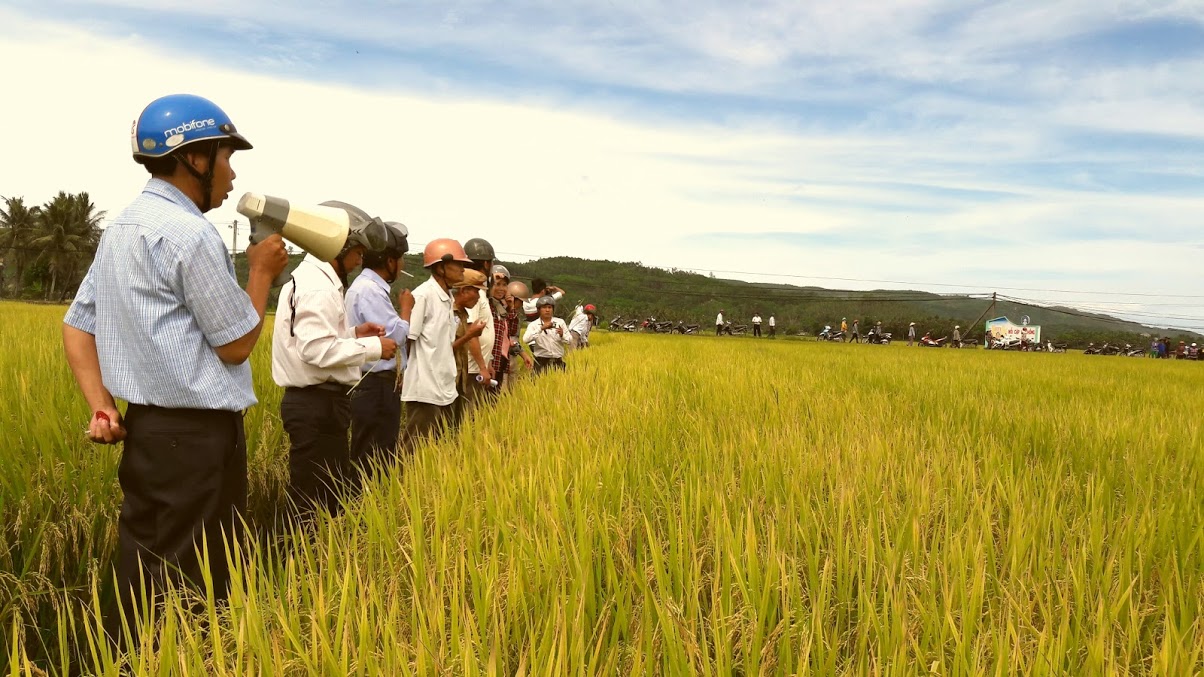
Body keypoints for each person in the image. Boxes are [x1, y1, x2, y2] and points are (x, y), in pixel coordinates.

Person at [61, 94, 289, 641]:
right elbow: (236, 345)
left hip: (147, 432)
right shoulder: (190, 234)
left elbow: (76, 323)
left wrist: (102, 405)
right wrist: (260, 275)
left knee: (144, 566)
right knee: (198, 579)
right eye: (227, 157)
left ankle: (125, 659)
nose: (233, 175)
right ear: (196, 159)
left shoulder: (120, 229)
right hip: (197, 438)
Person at [272, 201, 396, 520]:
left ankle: (312, 563)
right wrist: (372, 348)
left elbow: (316, 340)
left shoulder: (316, 280)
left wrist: (355, 333)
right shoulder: (318, 287)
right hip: (316, 406)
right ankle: (299, 564)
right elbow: (316, 351)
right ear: (338, 247)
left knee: (325, 495)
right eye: (356, 253)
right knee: (313, 501)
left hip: (318, 405)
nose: (358, 261)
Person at [345, 221, 412, 475]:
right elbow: (394, 336)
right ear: (390, 261)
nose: (403, 265)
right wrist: (406, 308)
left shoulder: (366, 287)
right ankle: (369, 511)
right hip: (375, 384)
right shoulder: (370, 290)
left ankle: (369, 509)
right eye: (401, 259)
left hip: (374, 384)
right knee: (376, 456)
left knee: (373, 451)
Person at [401, 239, 470, 450]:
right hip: (425, 388)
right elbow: (408, 340)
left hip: (444, 386)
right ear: (440, 267)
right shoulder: (423, 295)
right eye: (458, 264)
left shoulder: (447, 297)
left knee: (437, 449)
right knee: (416, 450)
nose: (462, 270)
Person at [461, 238, 497, 408]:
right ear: (485, 263)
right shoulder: (473, 293)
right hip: (471, 370)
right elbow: (470, 332)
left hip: (477, 366)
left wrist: (487, 362)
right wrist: (482, 367)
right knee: (469, 417)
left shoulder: (478, 293)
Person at [451, 270, 490, 410]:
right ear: (464, 290)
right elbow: (443, 349)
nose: (479, 297)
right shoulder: (448, 312)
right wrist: (470, 335)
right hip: (446, 381)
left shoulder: (463, 314)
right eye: (476, 291)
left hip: (459, 378)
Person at [524, 295, 570, 372]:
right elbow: (526, 339)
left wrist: (562, 335)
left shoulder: (560, 322)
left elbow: (569, 340)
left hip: (557, 362)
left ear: (553, 309)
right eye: (544, 307)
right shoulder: (534, 325)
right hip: (541, 362)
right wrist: (541, 328)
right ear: (539, 310)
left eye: (549, 307)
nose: (547, 310)